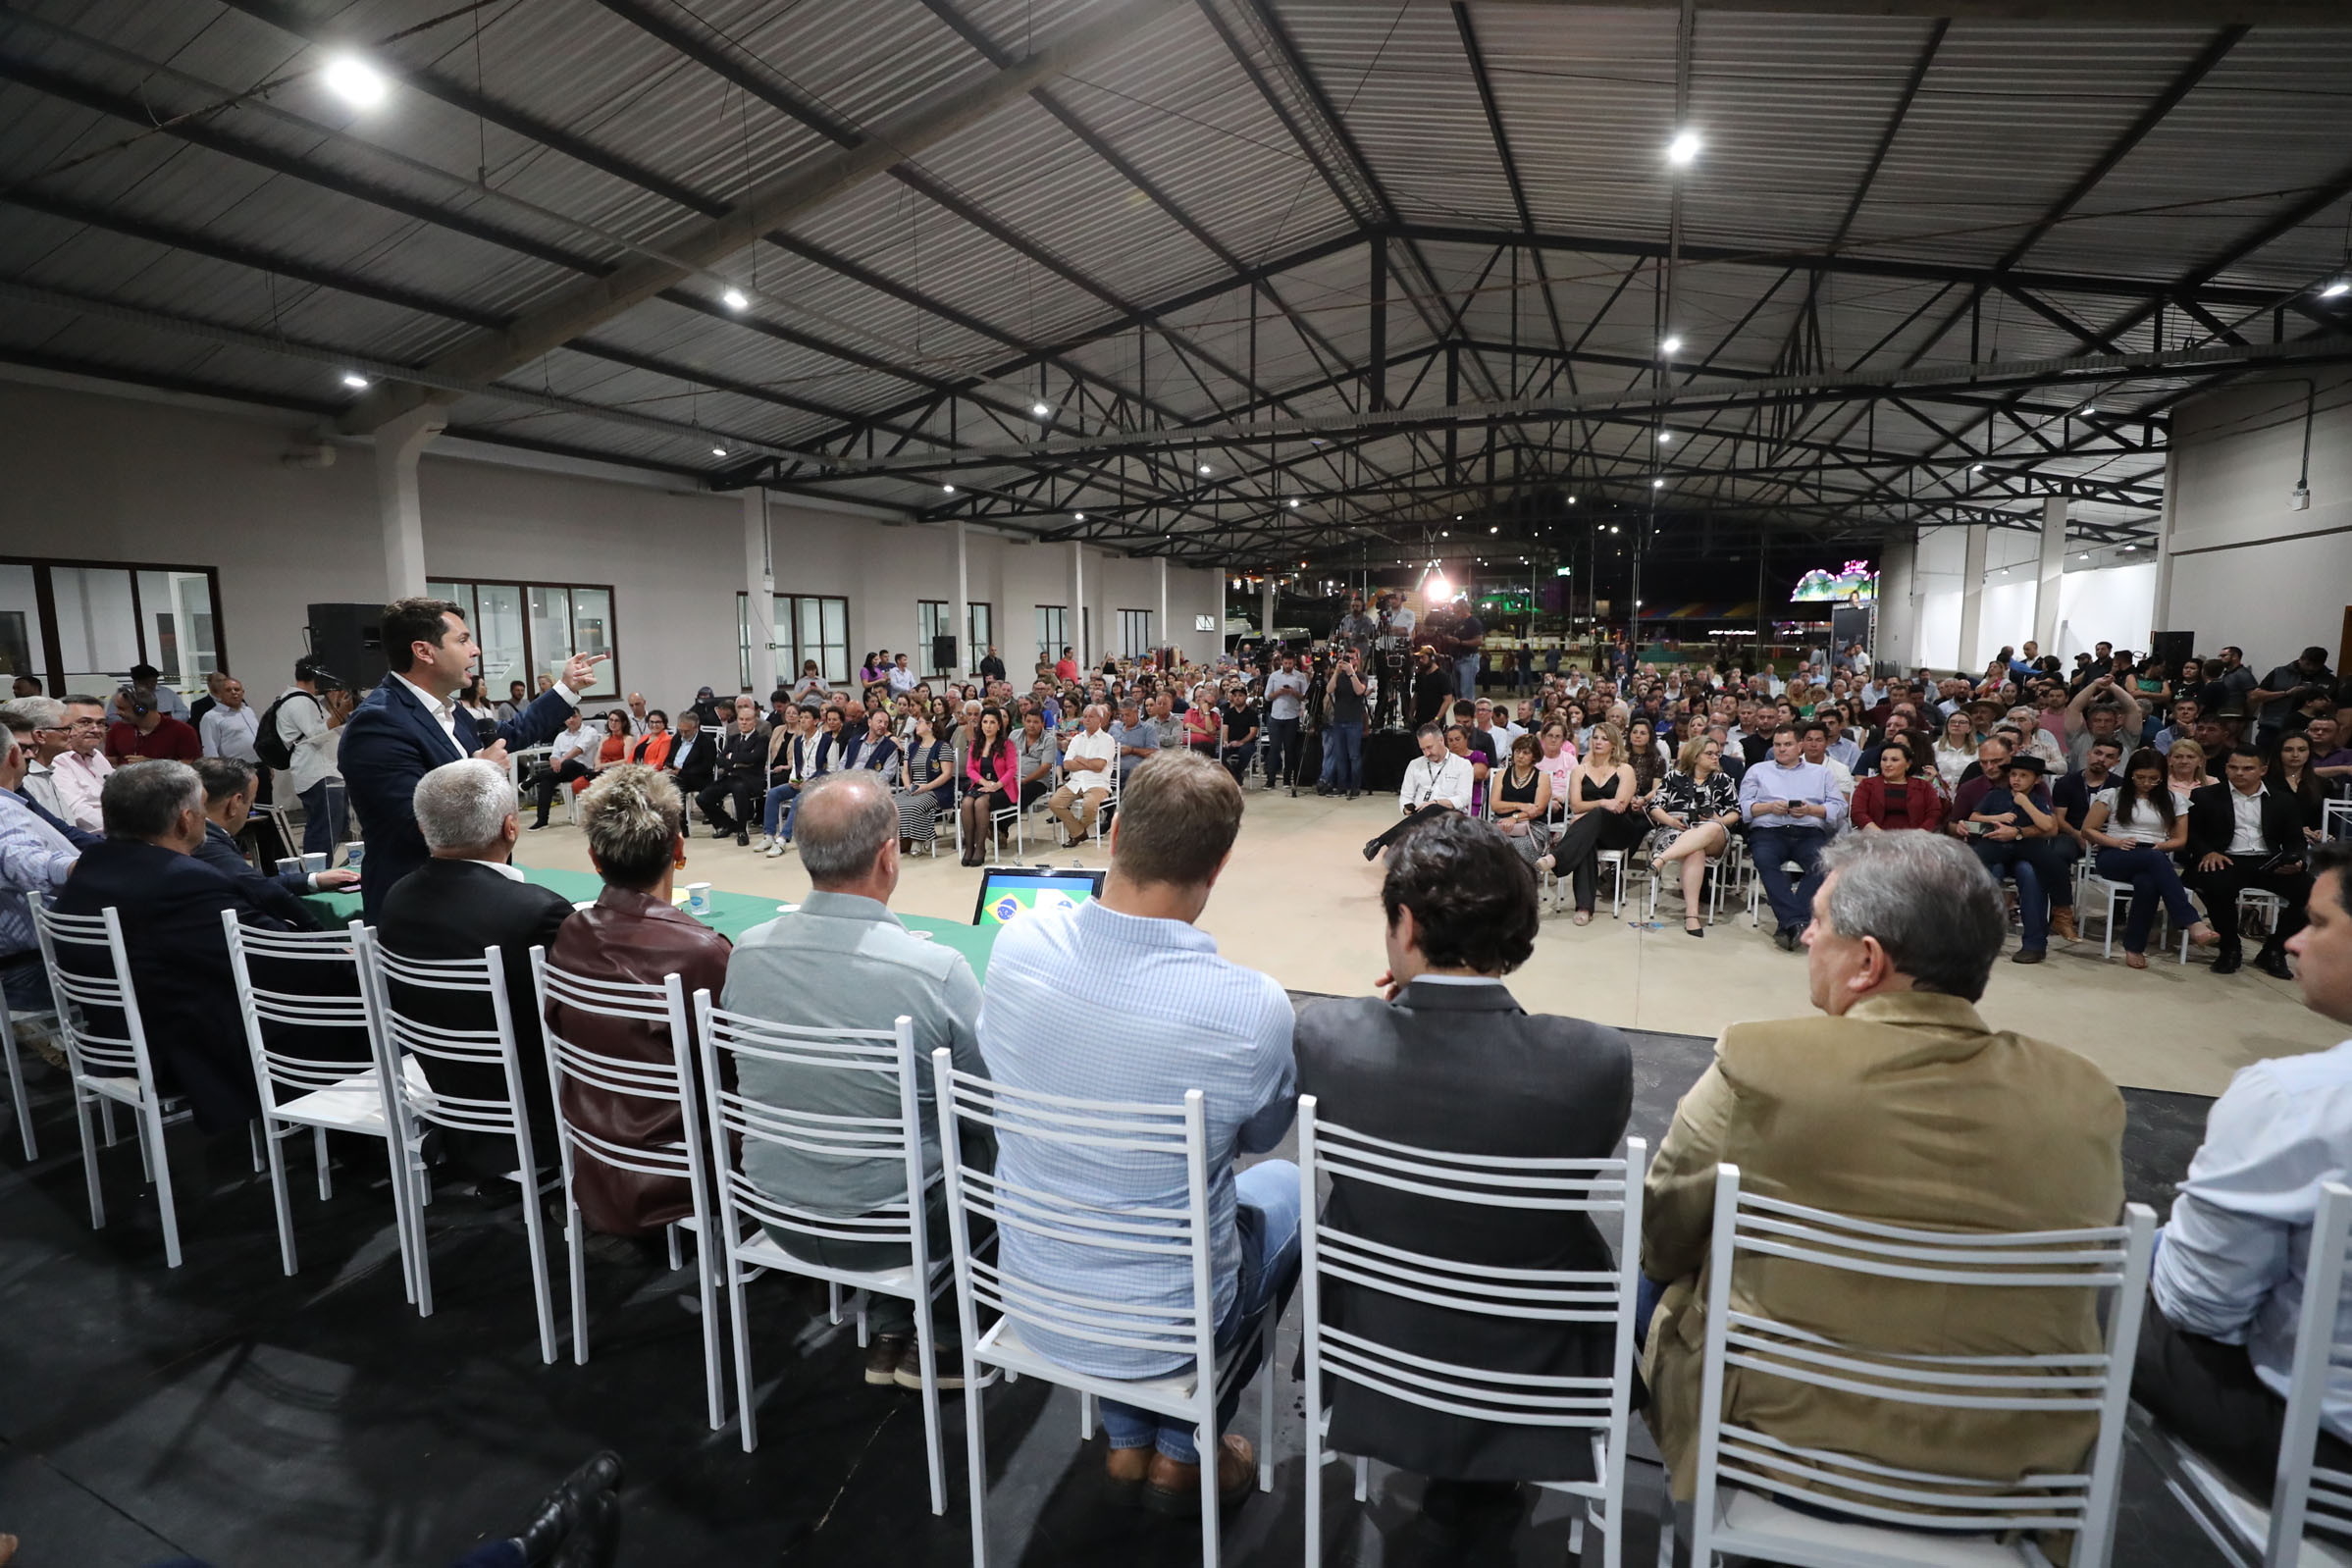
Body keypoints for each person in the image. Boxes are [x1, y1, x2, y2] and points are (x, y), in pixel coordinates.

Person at [1639, 830, 2125, 1522]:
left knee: (1649, 1272)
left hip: (1782, 1445)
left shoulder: (1762, 1063)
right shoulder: (2084, 1095)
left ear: (1867, 960)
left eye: (1818, 921)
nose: (1808, 936)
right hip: (2011, 1470)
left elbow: (1664, 1235)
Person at [1293, 811, 1630, 1535]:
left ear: (1406, 925)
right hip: (1532, 1370)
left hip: (1378, 1352)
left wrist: (1403, 1006)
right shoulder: (1593, 1062)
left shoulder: (1327, 1037)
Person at [978, 751, 1297, 1507]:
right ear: (1219, 866)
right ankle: (1185, 1448)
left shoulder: (1017, 945)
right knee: (1283, 1187)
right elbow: (1259, 1138)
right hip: (1167, 1323)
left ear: (1115, 832)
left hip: (1031, 1294)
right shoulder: (1252, 1008)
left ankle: (1128, 1439)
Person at [722, 771, 990, 1387]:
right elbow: (986, 1103)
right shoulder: (935, 970)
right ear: (889, 855)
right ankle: (947, 1336)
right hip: (894, 1230)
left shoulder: (747, 951)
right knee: (990, 1140)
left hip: (775, 1211)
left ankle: (894, 1320)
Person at [2133, 839, 2352, 1496]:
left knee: (2088, 1285)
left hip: (2318, 1448)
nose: (2293, 942)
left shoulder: (2297, 1098)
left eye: (2317, 924)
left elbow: (2197, 1308)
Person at [536, 764, 731, 1240]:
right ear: (678, 848)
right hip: (684, 1172)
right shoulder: (701, 952)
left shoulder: (570, 933)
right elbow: (737, 1074)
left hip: (595, 1156)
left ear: (594, 858)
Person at [50, 760, 296, 1131]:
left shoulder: (89, 868)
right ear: (186, 820)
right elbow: (273, 957)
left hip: (109, 1039)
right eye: (201, 810)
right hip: (184, 1053)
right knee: (351, 1008)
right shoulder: (182, 880)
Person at [340, 598, 602, 921]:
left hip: (472, 895)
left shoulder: (446, 709)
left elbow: (509, 734)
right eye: (463, 640)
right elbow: (416, 823)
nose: (476, 650)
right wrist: (484, 770)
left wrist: (566, 689)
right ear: (424, 651)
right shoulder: (378, 723)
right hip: (424, 908)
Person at [377, 758, 575, 1175]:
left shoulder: (396, 899)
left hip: (450, 1100)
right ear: (511, 827)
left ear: (423, 829)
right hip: (540, 1118)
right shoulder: (535, 911)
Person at [2188, 747, 2313, 978]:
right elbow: (2192, 834)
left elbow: (2296, 840)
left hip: (2268, 860)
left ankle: (2275, 950)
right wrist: (2208, 852)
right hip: (2226, 858)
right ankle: (2230, 948)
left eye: (2247, 768)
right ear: (2226, 768)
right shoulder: (2205, 796)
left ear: (2262, 770)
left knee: (2314, 893)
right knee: (2216, 885)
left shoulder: (2283, 800)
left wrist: (2297, 862)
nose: (2239, 773)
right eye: (2233, 767)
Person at [189, 758, 355, 928]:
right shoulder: (207, 844)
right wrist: (322, 935)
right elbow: (262, 891)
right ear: (235, 804)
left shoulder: (203, 836)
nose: (251, 808)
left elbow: (252, 882)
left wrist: (315, 879)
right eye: (251, 801)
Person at [1738, 725, 1846, 950]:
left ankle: (1791, 922)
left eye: (1787, 744)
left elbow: (1839, 808)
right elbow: (1743, 807)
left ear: (1800, 746)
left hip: (1809, 832)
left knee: (1823, 865)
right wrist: (1768, 807)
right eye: (1777, 745)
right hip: (1768, 831)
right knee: (1765, 861)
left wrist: (1811, 810)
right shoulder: (1758, 770)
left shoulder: (1821, 773)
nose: (1781, 749)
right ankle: (1798, 921)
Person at [0, 726, 80, 1019]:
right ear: (13, 755)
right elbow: (22, 860)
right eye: (25, 749)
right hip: (34, 970)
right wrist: (84, 867)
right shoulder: (3, 809)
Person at [1964, 753, 2063, 965]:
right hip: (1994, 851)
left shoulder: (2038, 799)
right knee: (1990, 875)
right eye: (2013, 774)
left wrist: (2024, 805)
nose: (2016, 779)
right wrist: (1995, 823)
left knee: (2030, 874)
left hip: (2025, 853)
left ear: (2037, 779)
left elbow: (2049, 827)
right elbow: (1974, 820)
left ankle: (2034, 944)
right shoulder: (1995, 796)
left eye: (2023, 776)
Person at [1645, 735, 1741, 936]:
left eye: (1717, 754)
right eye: (1709, 754)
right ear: (1695, 756)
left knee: (1713, 828)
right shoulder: (1673, 777)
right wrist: (1671, 821)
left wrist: (1718, 819)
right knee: (1696, 850)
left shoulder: (1723, 780)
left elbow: (1736, 812)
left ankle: (1662, 859)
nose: (1715, 757)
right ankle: (1692, 916)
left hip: (1714, 834)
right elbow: (1654, 807)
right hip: (1675, 830)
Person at [1551, 725, 1644, 926]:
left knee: (1598, 815)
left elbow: (1618, 806)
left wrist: (1591, 810)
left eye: (1604, 738)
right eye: (1595, 737)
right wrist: (1602, 802)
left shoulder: (1625, 769)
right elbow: (1575, 806)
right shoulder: (1579, 770)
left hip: (1618, 829)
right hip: (1589, 830)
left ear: (1614, 744)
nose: (1598, 742)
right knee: (1587, 843)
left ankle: (1557, 856)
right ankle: (1584, 907)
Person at [271, 657, 349, 857]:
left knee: (333, 826)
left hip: (325, 771)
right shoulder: (298, 701)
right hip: (317, 774)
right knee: (324, 829)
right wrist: (341, 710)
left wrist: (334, 703)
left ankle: (321, 867)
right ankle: (317, 871)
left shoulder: (306, 699)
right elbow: (316, 734)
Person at [1367, 723, 1475, 862]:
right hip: (1419, 817)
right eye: (1423, 749)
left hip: (1451, 818)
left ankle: (1381, 841)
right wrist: (1407, 809)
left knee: (1433, 808)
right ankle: (1386, 843)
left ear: (1441, 740)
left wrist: (1436, 802)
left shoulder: (1462, 765)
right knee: (1427, 812)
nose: (1427, 753)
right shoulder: (1415, 765)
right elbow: (1406, 796)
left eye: (1429, 747)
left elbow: (1464, 798)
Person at [697, 695, 768, 847]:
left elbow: (754, 758)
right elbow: (720, 759)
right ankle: (728, 824)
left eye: (747, 720)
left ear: (754, 721)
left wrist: (732, 758)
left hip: (750, 779)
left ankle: (742, 831)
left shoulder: (761, 739)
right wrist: (737, 763)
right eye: (741, 719)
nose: (744, 722)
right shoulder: (733, 738)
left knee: (739, 789)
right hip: (731, 776)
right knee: (702, 798)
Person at [1046, 704, 1117, 846]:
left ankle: (1076, 832)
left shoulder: (1107, 740)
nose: (1087, 719)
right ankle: (1079, 833)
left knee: (1089, 806)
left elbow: (1099, 766)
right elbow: (1067, 764)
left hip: (1097, 783)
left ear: (1100, 720)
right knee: (1054, 802)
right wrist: (1090, 763)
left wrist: (1081, 760)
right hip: (1075, 781)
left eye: (1091, 717)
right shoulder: (1077, 739)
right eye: (1085, 717)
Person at [959, 706, 1018, 865]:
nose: (988, 726)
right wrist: (984, 783)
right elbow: (970, 769)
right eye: (985, 722)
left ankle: (981, 848)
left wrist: (996, 785)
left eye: (992, 722)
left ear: (999, 725)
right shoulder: (976, 744)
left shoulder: (1007, 744)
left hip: (1002, 788)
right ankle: (969, 847)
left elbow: (1012, 770)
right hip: (981, 785)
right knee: (966, 803)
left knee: (980, 803)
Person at [47, 694, 115, 832]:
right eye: (85, 722)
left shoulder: (97, 755)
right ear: (62, 725)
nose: (96, 729)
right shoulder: (55, 759)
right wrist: (130, 829)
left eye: (100, 723)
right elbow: (78, 813)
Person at [1489, 732, 1552, 876]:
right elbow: (1495, 805)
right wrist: (1519, 805)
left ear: (1534, 756)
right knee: (1487, 844)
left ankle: (1520, 882)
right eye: (1517, 751)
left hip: (1533, 825)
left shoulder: (1542, 777)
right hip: (1501, 823)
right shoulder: (1501, 775)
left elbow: (1537, 810)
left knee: (1518, 846)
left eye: (1526, 752)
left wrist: (1515, 817)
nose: (1520, 756)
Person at [1850, 734, 1940, 832]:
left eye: (1894, 760)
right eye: (1884, 760)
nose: (1887, 764)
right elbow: (1858, 813)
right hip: (1875, 837)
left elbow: (1934, 813)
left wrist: (1919, 834)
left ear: (1908, 764)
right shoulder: (1866, 785)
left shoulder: (1924, 786)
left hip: (1917, 838)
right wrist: (1879, 834)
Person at [2250, 646, 2335, 744]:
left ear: (2322, 664)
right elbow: (2255, 696)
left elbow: (2336, 709)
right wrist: (2286, 693)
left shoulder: (2330, 680)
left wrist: (2327, 706)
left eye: (2316, 665)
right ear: (2301, 659)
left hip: (2310, 731)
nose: (2311, 668)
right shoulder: (2279, 672)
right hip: (2272, 727)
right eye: (2308, 664)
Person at [896, 709, 955, 852]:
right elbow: (905, 772)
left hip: (937, 790)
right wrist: (908, 786)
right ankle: (906, 839)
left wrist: (926, 787)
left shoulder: (943, 746)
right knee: (892, 804)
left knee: (916, 805)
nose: (916, 725)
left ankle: (917, 839)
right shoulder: (912, 747)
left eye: (920, 722)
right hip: (914, 788)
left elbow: (947, 774)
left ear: (930, 725)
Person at [528, 709, 596, 829]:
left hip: (583, 769)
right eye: (568, 717)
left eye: (574, 716)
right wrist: (554, 760)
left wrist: (561, 760)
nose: (571, 720)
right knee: (547, 780)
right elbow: (554, 754)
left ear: (581, 717)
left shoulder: (590, 732)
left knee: (569, 762)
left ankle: (533, 780)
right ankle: (542, 820)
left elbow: (579, 749)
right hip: (562, 771)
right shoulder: (561, 736)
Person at [104, 685, 201, 766]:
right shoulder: (117, 728)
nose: (117, 713)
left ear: (141, 710)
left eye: (122, 709)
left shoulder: (182, 731)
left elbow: (191, 764)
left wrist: (153, 764)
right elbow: (111, 760)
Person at [197, 675, 261, 765]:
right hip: (235, 769)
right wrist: (216, 771)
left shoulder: (248, 711)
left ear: (243, 692)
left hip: (260, 765)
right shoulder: (211, 717)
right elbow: (210, 749)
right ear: (219, 694)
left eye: (237, 689)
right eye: (228, 690)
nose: (234, 692)